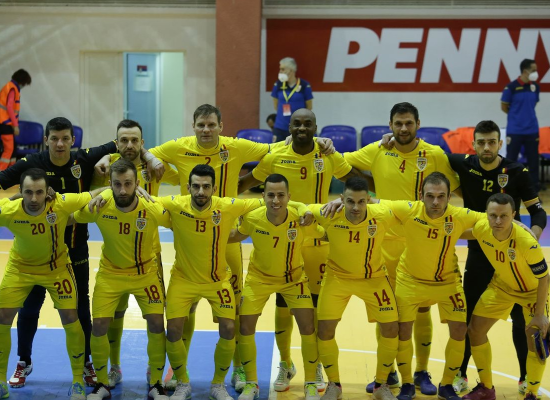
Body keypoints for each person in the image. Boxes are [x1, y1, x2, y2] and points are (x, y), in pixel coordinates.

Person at [147, 104, 334, 392]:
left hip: (228, 237)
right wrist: (152, 162)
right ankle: (176, 368)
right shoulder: (178, 147)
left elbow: (275, 147)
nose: (206, 130)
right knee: (185, 308)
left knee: (232, 309)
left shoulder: (235, 146)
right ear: (193, 126)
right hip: (190, 237)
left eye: (212, 124)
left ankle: (238, 368)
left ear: (221, 126)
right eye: (201, 125)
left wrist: (315, 140)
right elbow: (142, 153)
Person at [160, 164, 309, 400]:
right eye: (196, 186)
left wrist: (302, 208)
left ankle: (218, 384)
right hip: (183, 279)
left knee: (230, 328)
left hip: (217, 280)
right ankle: (182, 382)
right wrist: (105, 193)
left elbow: (271, 201)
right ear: (188, 188)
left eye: (206, 186)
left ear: (214, 189)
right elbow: (145, 200)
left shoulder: (228, 206)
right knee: (173, 330)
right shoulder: (176, 204)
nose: (201, 191)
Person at [238, 108, 359, 392]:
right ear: (289, 127)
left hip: (317, 241)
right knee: (283, 305)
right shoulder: (275, 155)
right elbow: (246, 182)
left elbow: (357, 181)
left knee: (312, 309)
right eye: (297, 123)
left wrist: (344, 200)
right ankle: (285, 363)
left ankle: (313, 364)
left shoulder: (328, 154)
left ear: (316, 127)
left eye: (307, 124)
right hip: (285, 241)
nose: (302, 128)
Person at [343, 102, 460, 394]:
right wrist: (365, 185)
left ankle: (421, 372)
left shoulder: (434, 154)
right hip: (382, 244)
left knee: (421, 310)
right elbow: (339, 162)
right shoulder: (377, 150)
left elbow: (457, 188)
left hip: (421, 245)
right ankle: (389, 372)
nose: (403, 128)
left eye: (409, 123)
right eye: (398, 123)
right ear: (390, 125)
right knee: (385, 309)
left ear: (418, 124)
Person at [0, 117, 116, 389]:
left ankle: (85, 362)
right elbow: (3, 181)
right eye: (54, 138)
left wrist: (108, 159)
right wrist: (19, 199)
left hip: (74, 249)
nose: (60, 144)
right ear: (46, 140)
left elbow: (119, 143)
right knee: (29, 309)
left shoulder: (83, 159)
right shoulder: (32, 164)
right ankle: (24, 360)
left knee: (80, 308)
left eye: (65, 138)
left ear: (73, 140)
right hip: (36, 253)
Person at [446, 120, 546, 394]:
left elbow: (538, 211)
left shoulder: (517, 171)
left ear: (500, 143)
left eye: (492, 142)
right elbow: (430, 154)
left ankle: (525, 377)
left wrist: (532, 236)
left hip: (513, 257)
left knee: (521, 321)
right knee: (469, 317)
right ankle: (461, 374)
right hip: (480, 251)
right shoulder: (464, 164)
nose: (487, 147)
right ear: (473, 144)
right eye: (481, 142)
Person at [90, 119, 179, 388]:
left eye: (135, 140)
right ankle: (114, 366)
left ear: (142, 142)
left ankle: (159, 370)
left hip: (148, 255)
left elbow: (184, 178)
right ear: (116, 143)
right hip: (116, 255)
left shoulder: (155, 166)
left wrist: (152, 158)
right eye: (124, 140)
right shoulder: (107, 166)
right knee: (114, 315)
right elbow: (88, 193)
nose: (129, 145)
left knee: (156, 317)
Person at [74, 159, 172, 400]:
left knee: (157, 323)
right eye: (117, 184)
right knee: (99, 325)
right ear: (110, 184)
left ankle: (156, 383)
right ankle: (102, 384)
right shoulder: (101, 205)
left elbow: (182, 218)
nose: (123, 190)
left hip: (145, 274)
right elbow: (69, 216)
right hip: (111, 274)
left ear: (137, 184)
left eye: (128, 184)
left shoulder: (151, 208)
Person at [382, 172, 484, 400]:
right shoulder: (409, 209)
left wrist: (517, 224)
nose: (435, 202)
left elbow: (493, 217)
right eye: (430, 196)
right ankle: (407, 383)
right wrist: (339, 202)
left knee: (459, 330)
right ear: (421, 196)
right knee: (403, 331)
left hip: (447, 281)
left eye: (441, 196)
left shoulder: (459, 215)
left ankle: (446, 385)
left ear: (449, 197)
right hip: (410, 280)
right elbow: (372, 203)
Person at [229, 174, 325, 400]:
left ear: (289, 197)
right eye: (270, 195)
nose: (275, 200)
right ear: (262, 196)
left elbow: (326, 234)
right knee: (245, 326)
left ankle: (311, 383)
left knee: (308, 326)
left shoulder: (301, 220)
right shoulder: (253, 217)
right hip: (259, 279)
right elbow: (236, 235)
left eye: (281, 195)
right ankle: (251, 383)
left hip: (293, 280)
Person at [308, 176, 400, 400]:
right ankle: (334, 385)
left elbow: (410, 208)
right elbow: (301, 208)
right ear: (341, 199)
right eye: (350, 201)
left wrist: (376, 202)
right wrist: (312, 212)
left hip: (374, 278)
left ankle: (381, 385)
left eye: (361, 202)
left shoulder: (382, 214)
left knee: (391, 329)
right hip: (337, 278)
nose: (356, 207)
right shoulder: (329, 213)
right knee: (325, 330)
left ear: (369, 200)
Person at [461, 193, 548, 400]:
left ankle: (532, 393)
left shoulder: (526, 242)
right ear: (486, 215)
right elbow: (460, 232)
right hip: (502, 287)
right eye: (493, 215)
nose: (498, 221)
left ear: (514, 215)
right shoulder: (482, 229)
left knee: (536, 339)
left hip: (532, 292)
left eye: (504, 216)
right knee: (475, 330)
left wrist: (539, 315)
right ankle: (486, 388)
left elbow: (544, 278)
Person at [501, 58, 541, 190]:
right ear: (525, 71)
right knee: (511, 162)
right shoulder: (511, 87)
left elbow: (533, 104)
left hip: (532, 130)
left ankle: (533, 190)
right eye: (533, 70)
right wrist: (516, 116)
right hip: (515, 131)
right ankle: (509, 189)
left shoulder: (535, 87)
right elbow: (504, 106)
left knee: (533, 162)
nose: (536, 73)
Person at [271, 57, 313, 142]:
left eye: (283, 69)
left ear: (291, 70)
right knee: (277, 149)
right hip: (280, 127)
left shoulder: (304, 85)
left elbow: (309, 107)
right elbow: (276, 105)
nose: (280, 72)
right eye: (280, 69)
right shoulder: (278, 85)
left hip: (298, 128)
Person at [0, 69, 32, 170]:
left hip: (5, 123)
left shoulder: (9, 87)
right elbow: (9, 107)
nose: (24, 85)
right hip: (5, 124)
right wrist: (15, 125)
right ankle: (2, 172)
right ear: (22, 81)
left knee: (13, 149)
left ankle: (12, 171)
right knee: (9, 150)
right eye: (25, 83)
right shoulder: (12, 89)